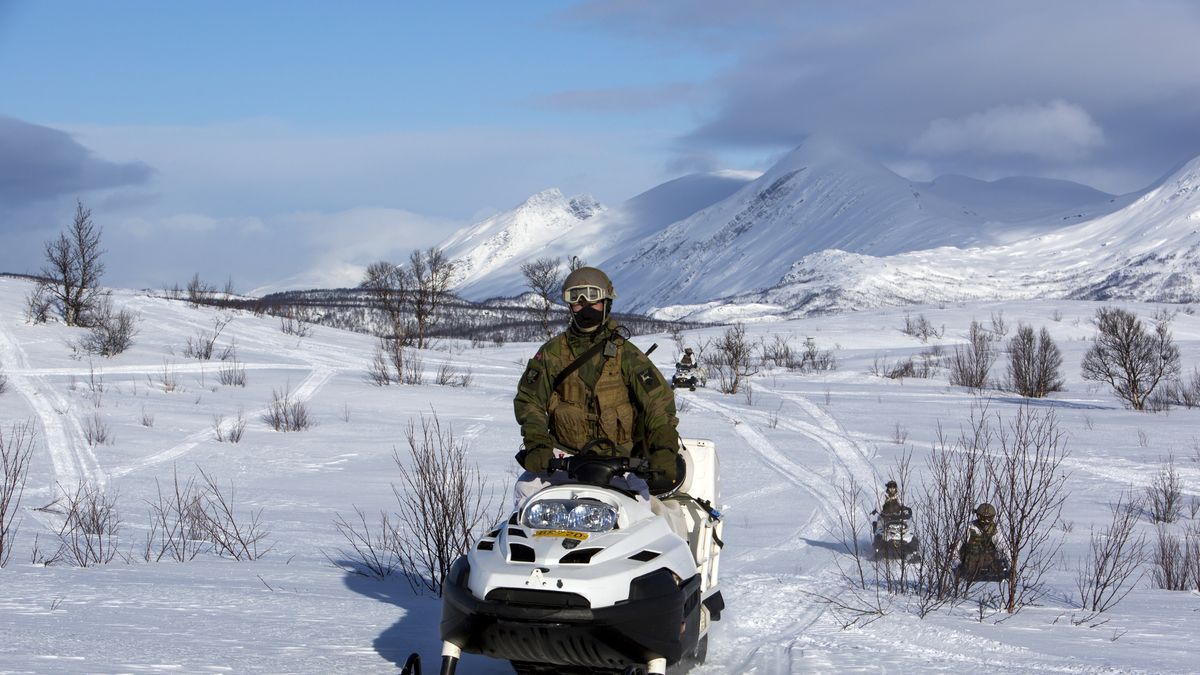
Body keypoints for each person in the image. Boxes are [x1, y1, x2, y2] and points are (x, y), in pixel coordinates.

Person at [513, 266, 681, 506]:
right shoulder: (552, 353)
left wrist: (663, 449)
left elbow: (659, 404)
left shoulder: (627, 355)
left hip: (619, 462)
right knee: (526, 492)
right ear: (570, 307)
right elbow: (530, 400)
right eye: (578, 302)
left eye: (594, 301)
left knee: (641, 509)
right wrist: (538, 443)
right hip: (566, 459)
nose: (586, 308)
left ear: (607, 303)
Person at [959, 502, 1009, 580]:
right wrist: (956, 564)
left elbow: (1003, 547)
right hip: (970, 564)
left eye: (989, 518)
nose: (985, 521)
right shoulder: (969, 528)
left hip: (989, 563)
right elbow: (956, 547)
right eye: (983, 518)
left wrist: (1009, 565)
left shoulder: (996, 530)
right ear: (978, 516)